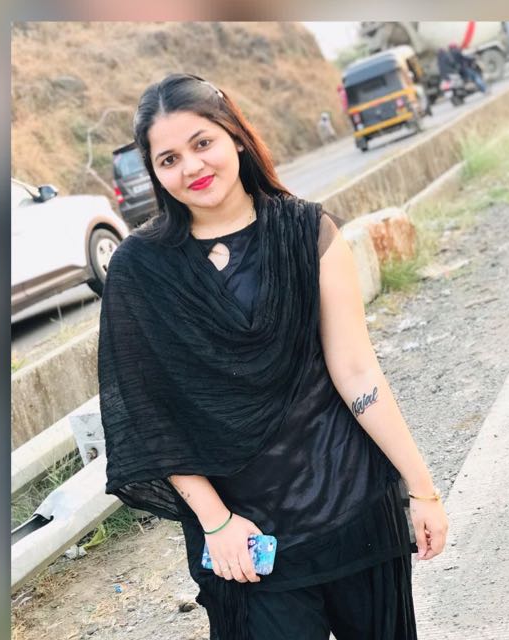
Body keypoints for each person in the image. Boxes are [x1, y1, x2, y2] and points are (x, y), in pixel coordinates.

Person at [97, 72, 448, 640]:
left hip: (355, 507)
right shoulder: (141, 270)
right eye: (169, 159)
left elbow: (357, 371)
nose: (191, 167)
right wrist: (215, 522)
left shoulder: (309, 231)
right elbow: (150, 413)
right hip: (247, 541)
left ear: (235, 136)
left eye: (202, 142)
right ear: (155, 172)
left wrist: (422, 488)